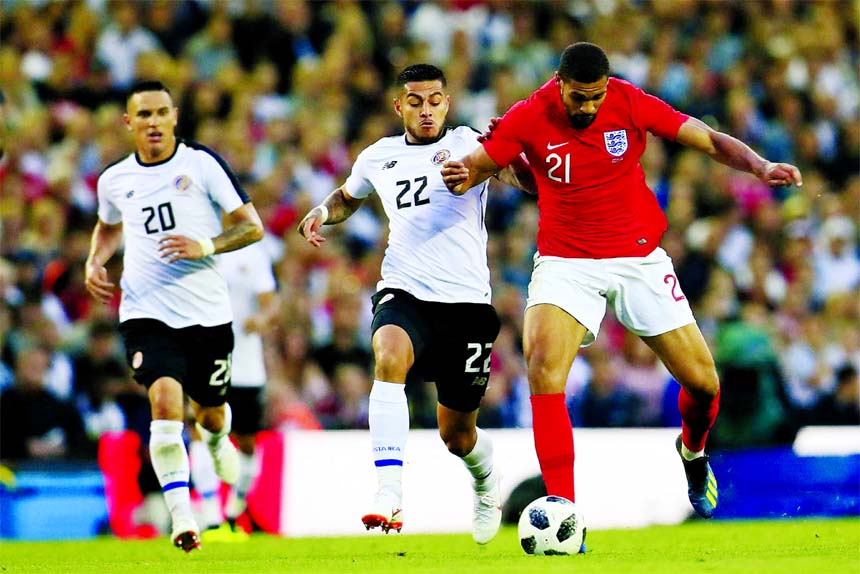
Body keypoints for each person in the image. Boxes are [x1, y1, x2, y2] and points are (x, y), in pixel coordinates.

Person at [442, 42, 802, 520]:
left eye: (596, 96)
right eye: (579, 98)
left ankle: (693, 453)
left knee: (704, 386)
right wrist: (460, 172)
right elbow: (488, 170)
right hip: (566, 261)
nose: (588, 107)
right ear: (559, 83)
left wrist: (760, 166)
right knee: (543, 366)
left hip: (638, 259)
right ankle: (564, 510)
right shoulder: (527, 117)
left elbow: (709, 139)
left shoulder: (630, 101)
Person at [297, 64, 533, 544]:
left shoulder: (472, 144)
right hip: (404, 289)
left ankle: (486, 483)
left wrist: (506, 156)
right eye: (416, 101)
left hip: (466, 303)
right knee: (388, 354)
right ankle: (389, 492)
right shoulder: (378, 156)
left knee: (457, 437)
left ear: (446, 103)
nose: (426, 110)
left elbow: (527, 184)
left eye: (434, 100)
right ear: (399, 105)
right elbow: (348, 196)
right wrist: (323, 211)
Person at [85, 80, 264, 551]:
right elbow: (107, 227)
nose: (153, 122)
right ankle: (183, 517)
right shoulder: (114, 179)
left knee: (209, 416)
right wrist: (94, 260)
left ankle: (219, 439)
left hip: (207, 316)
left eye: (161, 112)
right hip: (146, 313)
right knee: (165, 408)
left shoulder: (201, 164)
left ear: (174, 116)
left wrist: (204, 245)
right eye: (143, 115)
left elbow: (251, 226)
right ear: (129, 123)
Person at [189, 240, 279, 541]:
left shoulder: (254, 255)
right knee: (204, 430)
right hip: (208, 356)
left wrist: (264, 319)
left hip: (247, 364)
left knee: (248, 442)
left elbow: (271, 302)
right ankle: (211, 516)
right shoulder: (201, 246)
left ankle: (234, 510)